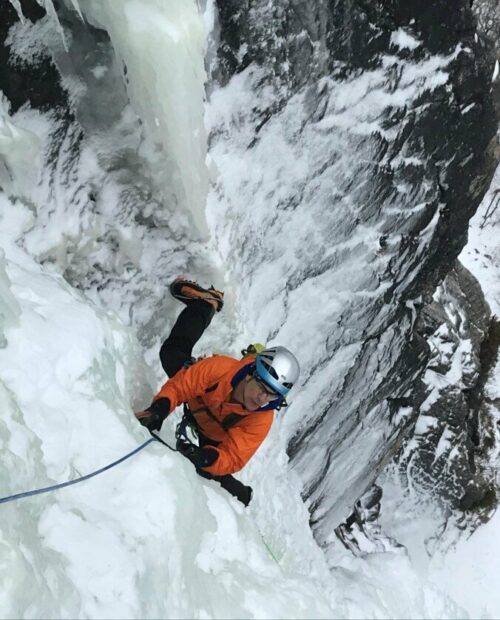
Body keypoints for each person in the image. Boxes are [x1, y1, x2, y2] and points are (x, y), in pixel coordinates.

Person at [134, 277, 300, 506]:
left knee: (209, 470)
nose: (263, 399)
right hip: (198, 400)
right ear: (252, 372)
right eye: (262, 388)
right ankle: (205, 304)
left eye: (272, 395)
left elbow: (233, 456)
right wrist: (159, 409)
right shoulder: (220, 369)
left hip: (213, 437)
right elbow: (182, 386)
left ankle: (242, 494)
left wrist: (206, 457)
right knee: (172, 355)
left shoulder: (261, 418)